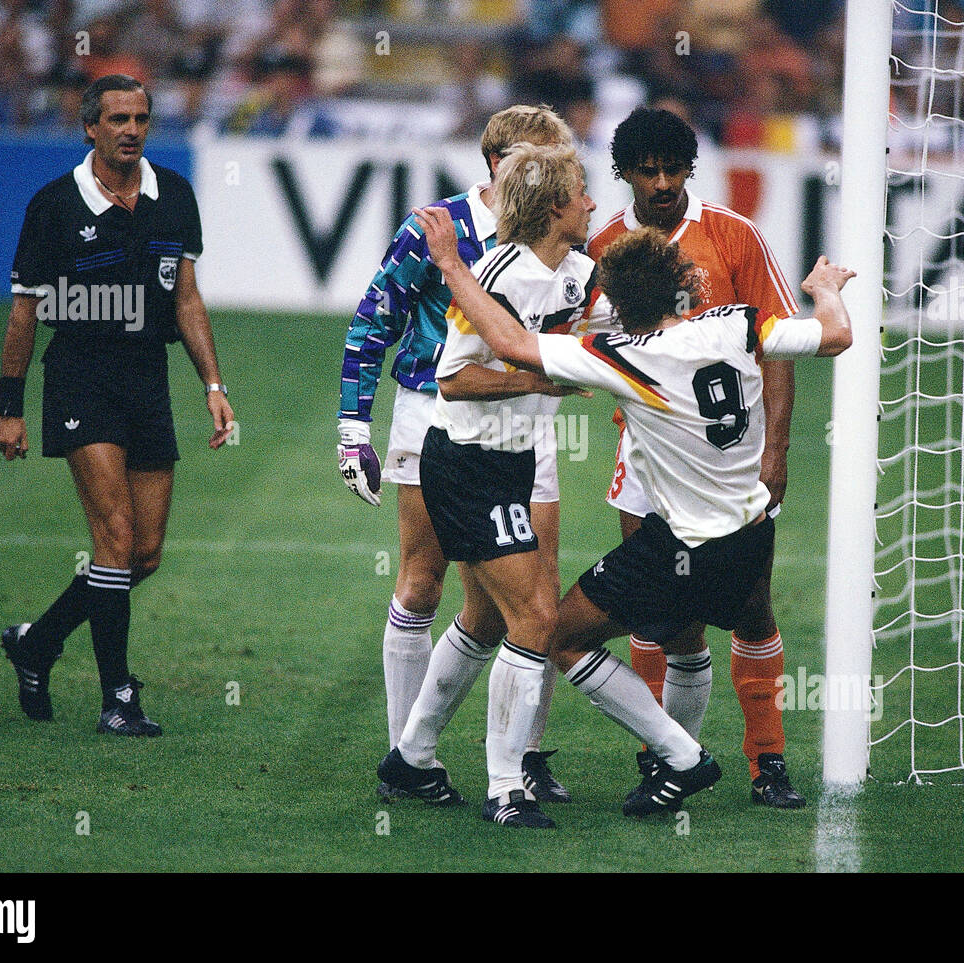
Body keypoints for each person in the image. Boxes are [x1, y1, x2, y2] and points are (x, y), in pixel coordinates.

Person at [414, 209, 854, 816]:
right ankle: (685, 767)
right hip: (754, 535)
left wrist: (452, 266)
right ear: (685, 283)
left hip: (682, 548)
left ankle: (680, 755)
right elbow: (835, 337)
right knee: (699, 639)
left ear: (619, 306)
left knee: (558, 635)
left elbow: (511, 343)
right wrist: (826, 289)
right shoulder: (739, 323)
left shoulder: (621, 357)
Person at [338, 106, 577, 803]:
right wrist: (354, 426)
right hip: (431, 412)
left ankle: (525, 756)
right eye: (541, 159)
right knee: (423, 579)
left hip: (529, 419)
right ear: (498, 161)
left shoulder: (560, 239)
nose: (557, 175)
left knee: (539, 588)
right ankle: (410, 753)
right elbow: (372, 319)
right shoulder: (436, 228)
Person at [0, 74, 234, 736]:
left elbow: (186, 297)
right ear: (90, 127)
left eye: (141, 118)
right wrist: (9, 404)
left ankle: (37, 641)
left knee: (142, 555)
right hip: (80, 377)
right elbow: (25, 309)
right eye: (118, 118)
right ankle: (117, 697)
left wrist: (213, 385)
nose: (131, 129)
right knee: (115, 537)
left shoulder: (174, 197)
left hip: (147, 378)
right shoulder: (53, 206)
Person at [586, 106, 807, 807]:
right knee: (659, 617)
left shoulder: (734, 236)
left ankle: (766, 760)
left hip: (727, 463)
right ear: (624, 173)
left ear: (690, 167)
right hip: (645, 457)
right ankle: (665, 756)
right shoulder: (602, 247)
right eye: (646, 170)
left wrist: (775, 448)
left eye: (672, 168)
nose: (660, 182)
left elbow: (778, 345)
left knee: (750, 608)